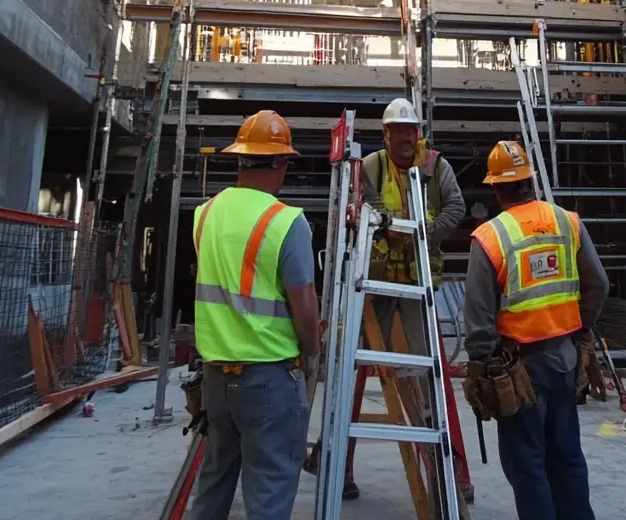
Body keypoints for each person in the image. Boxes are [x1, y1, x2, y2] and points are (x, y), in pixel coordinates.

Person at [461, 140, 607, 520]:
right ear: (529, 180)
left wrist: (483, 364)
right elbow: (599, 284)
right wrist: (582, 329)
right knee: (567, 458)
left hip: (519, 369)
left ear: (496, 187)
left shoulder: (490, 237)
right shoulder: (567, 221)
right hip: (566, 359)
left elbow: (478, 318)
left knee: (527, 466)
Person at [191, 110, 321, 520]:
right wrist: (312, 351)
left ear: (241, 159)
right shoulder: (286, 222)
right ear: (281, 164)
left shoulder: (205, 214)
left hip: (216, 377)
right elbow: (304, 306)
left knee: (214, 479)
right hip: (269, 377)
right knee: (269, 488)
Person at [338, 96, 466, 500]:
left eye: (412, 131)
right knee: (352, 374)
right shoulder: (373, 165)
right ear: (387, 134)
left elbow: (456, 208)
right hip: (376, 285)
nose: (406, 138)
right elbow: (365, 201)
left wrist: (422, 233)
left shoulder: (435, 167)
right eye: (399, 132)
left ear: (418, 132)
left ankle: (451, 470)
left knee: (429, 375)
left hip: (417, 285)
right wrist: (385, 226)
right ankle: (339, 463)